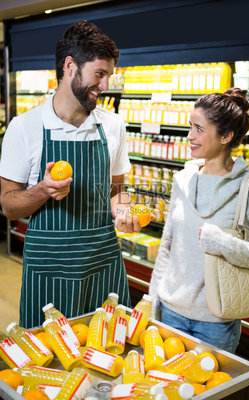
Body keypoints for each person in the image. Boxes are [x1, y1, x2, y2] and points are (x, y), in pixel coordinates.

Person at [0, 20, 140, 329]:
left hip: (103, 263)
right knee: (50, 362)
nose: (105, 86)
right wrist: (43, 190)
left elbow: (118, 191)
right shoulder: (25, 128)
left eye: (109, 76)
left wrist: (127, 212)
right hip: (49, 270)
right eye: (99, 74)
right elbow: (8, 206)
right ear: (70, 66)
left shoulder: (113, 125)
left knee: (109, 350)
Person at [149, 88, 249, 353]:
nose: (190, 136)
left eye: (199, 129)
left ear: (226, 136)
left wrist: (222, 243)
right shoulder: (183, 180)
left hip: (216, 322)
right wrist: (152, 298)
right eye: (191, 127)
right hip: (169, 313)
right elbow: (166, 248)